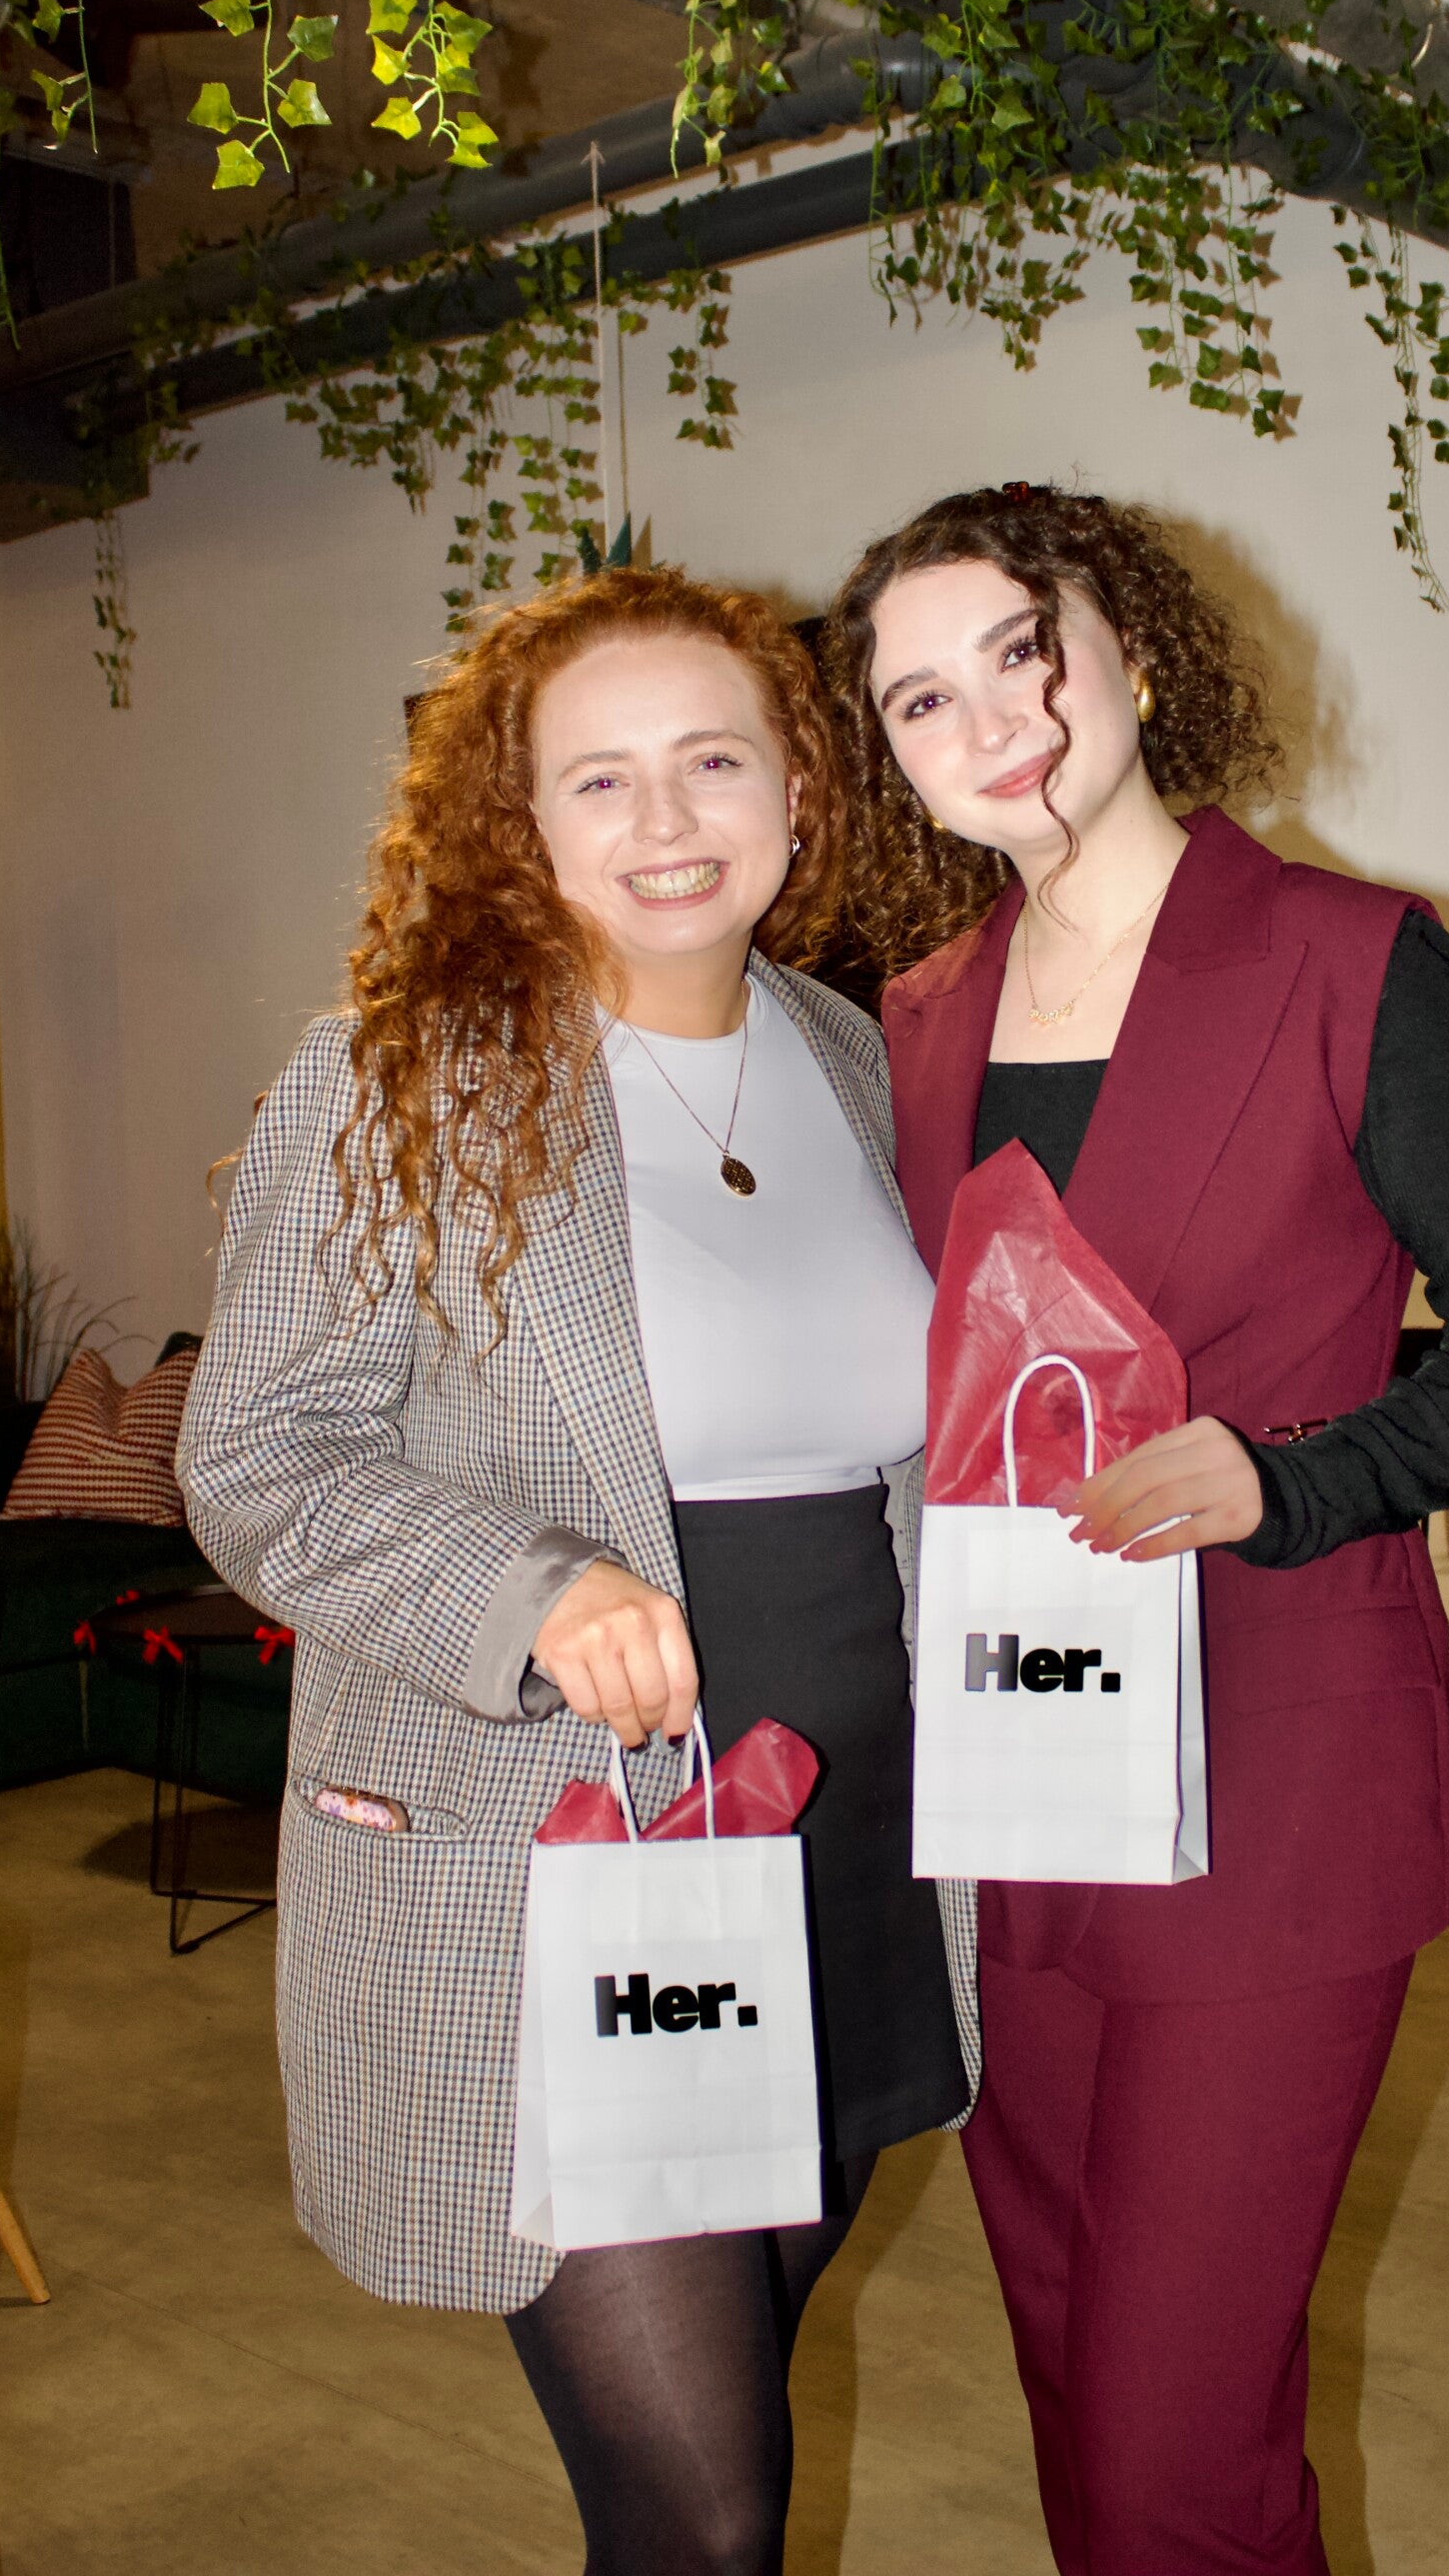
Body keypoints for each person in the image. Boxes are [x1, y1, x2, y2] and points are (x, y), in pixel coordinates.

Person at [823, 483, 1449, 2576]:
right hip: (1011, 1779)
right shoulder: (919, 1020)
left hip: (1267, 1773)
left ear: (1138, 652)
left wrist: (1294, 1478)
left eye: (1023, 649)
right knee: (1072, 2379)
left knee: (1177, 2435)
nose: (991, 719)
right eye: (921, 699)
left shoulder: (1353, 961)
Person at [178, 566, 967, 2576]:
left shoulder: (850, 1058)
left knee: (724, 2437)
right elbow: (254, 1456)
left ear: (801, 788)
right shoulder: (398, 1081)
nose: (667, 819)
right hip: (566, 1846)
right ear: (518, 823)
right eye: (599, 777)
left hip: (846, 1829)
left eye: (716, 760)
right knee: (704, 2511)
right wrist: (529, 1588)